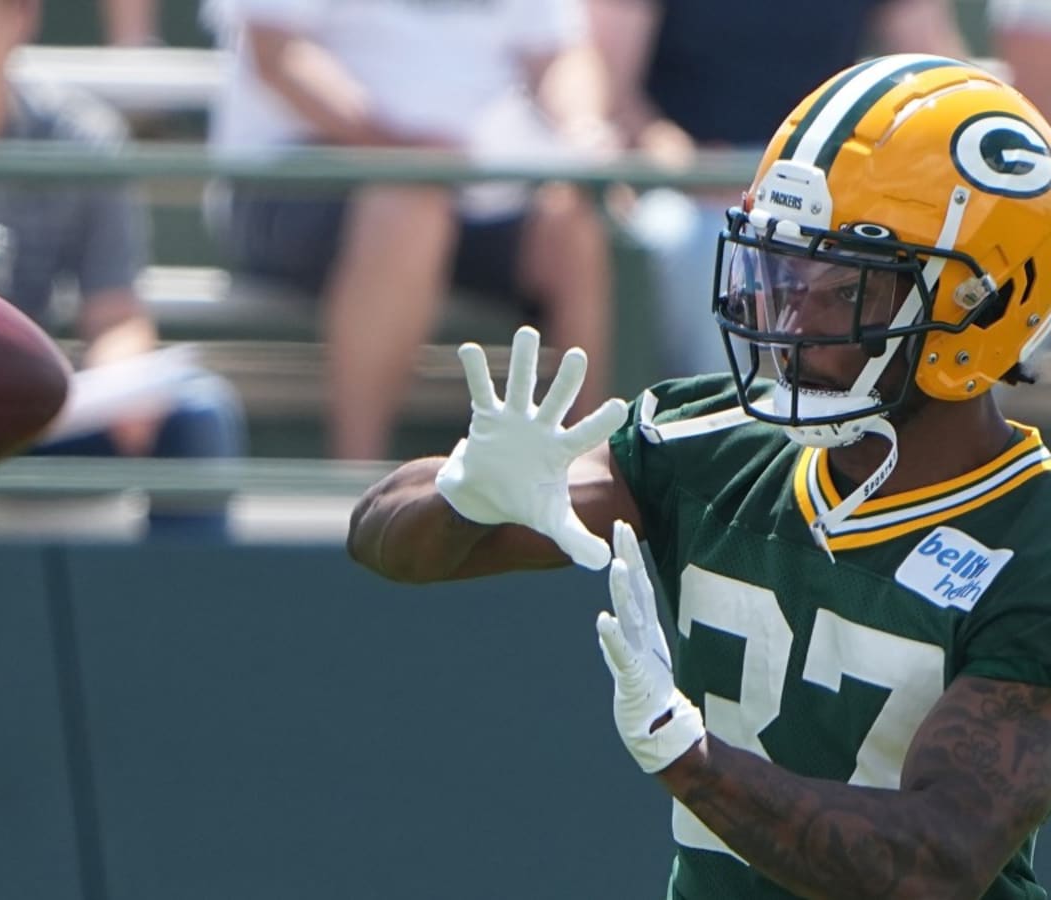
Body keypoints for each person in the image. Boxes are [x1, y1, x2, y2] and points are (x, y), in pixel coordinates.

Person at [347, 54, 1051, 898]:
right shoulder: (717, 441)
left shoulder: (1031, 542)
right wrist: (465, 492)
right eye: (781, 269)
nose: (786, 315)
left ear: (978, 305)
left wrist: (690, 757)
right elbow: (389, 543)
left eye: (838, 288)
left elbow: (938, 864)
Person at [201, 0, 618, 460]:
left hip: (479, 184)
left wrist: (582, 131)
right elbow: (276, 51)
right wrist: (393, 144)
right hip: (298, 179)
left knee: (572, 220)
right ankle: (361, 487)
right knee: (411, 205)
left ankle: (583, 475)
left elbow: (561, 54)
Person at [0, 0, 247, 477]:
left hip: (23, 415)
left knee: (197, 418)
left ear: (21, 18)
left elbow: (115, 313)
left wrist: (123, 384)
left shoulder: (80, 139)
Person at [588, 0, 967, 384]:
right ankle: (725, 425)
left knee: (946, 239)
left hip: (835, 183)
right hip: (690, 186)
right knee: (701, 243)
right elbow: (610, 91)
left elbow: (941, 75)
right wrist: (686, 164)